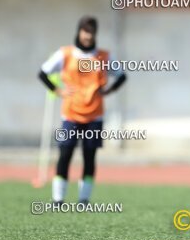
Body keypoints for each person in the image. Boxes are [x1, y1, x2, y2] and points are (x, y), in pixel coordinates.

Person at [38, 16, 126, 205]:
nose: (88, 36)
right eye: (85, 32)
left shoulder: (103, 56)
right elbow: (43, 73)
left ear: (95, 35)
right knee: (65, 153)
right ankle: (58, 198)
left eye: (91, 33)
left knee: (89, 156)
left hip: (95, 115)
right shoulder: (66, 54)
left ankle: (84, 199)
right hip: (70, 114)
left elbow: (121, 76)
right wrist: (57, 90)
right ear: (79, 32)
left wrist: (109, 90)